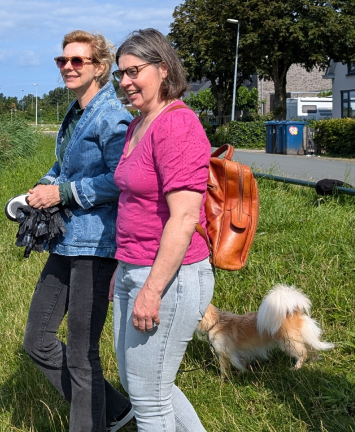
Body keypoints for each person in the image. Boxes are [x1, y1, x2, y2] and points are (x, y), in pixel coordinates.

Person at [22, 30, 135, 432]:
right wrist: (38, 190)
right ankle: (117, 409)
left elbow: (120, 179)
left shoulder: (113, 117)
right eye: (62, 61)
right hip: (66, 241)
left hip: (95, 245)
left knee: (82, 355)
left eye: (77, 61)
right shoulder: (75, 113)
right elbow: (65, 168)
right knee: (37, 340)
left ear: (100, 68)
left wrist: (63, 193)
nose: (67, 67)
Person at [110, 28, 214, 431]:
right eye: (120, 74)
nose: (124, 82)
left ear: (163, 69)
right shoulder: (139, 125)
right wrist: (124, 273)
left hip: (169, 278)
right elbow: (135, 204)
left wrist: (151, 289)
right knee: (148, 385)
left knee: (149, 400)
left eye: (134, 71)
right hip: (134, 268)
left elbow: (185, 217)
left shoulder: (177, 125)